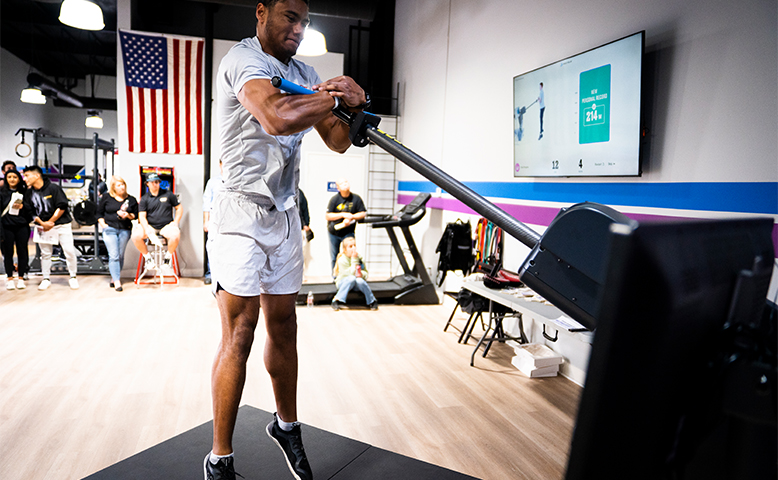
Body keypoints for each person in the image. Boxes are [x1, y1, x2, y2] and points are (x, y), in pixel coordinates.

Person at [205, 0, 369, 478]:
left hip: (283, 212)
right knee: (240, 331)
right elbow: (276, 116)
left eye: (305, 22)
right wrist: (335, 99)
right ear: (261, 12)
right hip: (238, 210)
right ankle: (220, 457)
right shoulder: (243, 60)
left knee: (284, 325)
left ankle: (286, 426)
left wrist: (357, 103)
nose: (298, 29)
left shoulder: (305, 73)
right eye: (289, 18)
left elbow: (337, 139)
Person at [23, 165, 79, 290]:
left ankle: (73, 276)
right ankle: (46, 278)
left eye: (27, 175)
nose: (24, 178)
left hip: (61, 225)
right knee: (45, 254)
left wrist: (50, 222)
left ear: (37, 175)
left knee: (69, 251)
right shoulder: (29, 193)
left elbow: (62, 206)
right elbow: (30, 212)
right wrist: (42, 223)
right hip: (42, 227)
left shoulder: (53, 188)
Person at [132, 173, 183, 270]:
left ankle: (167, 259)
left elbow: (179, 208)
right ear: (147, 184)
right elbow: (142, 216)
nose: (155, 184)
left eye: (157, 182)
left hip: (166, 226)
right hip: (150, 226)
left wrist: (176, 222)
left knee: (175, 235)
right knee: (136, 235)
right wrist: (146, 229)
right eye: (152, 182)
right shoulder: (144, 199)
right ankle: (148, 258)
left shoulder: (168, 194)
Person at [97, 176, 138, 292]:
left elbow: (136, 216)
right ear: (113, 187)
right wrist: (103, 225)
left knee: (120, 255)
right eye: (119, 185)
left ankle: (114, 277)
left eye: (123, 184)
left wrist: (127, 215)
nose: (122, 187)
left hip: (125, 229)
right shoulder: (106, 197)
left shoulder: (131, 200)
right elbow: (99, 213)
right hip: (109, 229)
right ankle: (117, 281)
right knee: (113, 255)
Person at [1, 169, 32, 289]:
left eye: (15, 177)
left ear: (19, 179)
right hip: (6, 227)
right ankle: (9, 278)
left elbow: (31, 210)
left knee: (22, 252)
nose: (12, 179)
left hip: (22, 226)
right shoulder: (2, 193)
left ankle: (21, 278)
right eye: (9, 177)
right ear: (6, 179)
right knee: (8, 253)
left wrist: (23, 206)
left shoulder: (25, 193)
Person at [325, 178, 366, 271]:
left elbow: (362, 213)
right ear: (338, 188)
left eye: (346, 182)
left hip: (348, 232)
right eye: (342, 183)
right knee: (334, 256)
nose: (345, 184)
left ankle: (352, 272)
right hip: (334, 232)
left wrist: (352, 217)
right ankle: (335, 276)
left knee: (352, 253)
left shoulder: (356, 198)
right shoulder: (334, 200)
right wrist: (342, 215)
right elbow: (328, 216)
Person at [331, 236, 377, 311]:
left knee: (360, 281)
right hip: (344, 282)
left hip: (355, 282)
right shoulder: (342, 260)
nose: (353, 248)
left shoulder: (360, 258)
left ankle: (372, 301)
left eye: (354, 245)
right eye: (350, 246)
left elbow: (365, 273)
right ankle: (336, 300)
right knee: (352, 278)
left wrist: (361, 274)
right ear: (345, 250)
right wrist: (354, 259)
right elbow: (351, 273)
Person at [202, 160, 224, 285]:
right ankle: (211, 274)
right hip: (215, 219)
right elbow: (207, 204)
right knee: (212, 247)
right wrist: (206, 221)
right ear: (220, 164)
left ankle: (225, 277)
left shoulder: (235, 181)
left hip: (230, 220)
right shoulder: (213, 182)